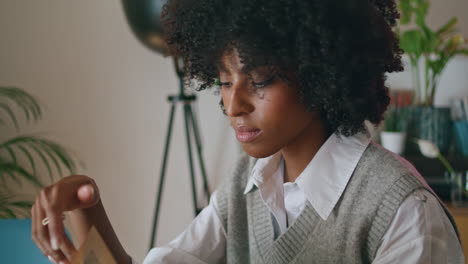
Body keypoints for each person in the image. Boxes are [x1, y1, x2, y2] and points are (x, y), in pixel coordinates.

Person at [31, 0, 464, 263]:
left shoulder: (402, 213)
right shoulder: (243, 189)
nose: (233, 104)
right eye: (223, 80)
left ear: (321, 73)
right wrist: (87, 204)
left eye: (259, 80)